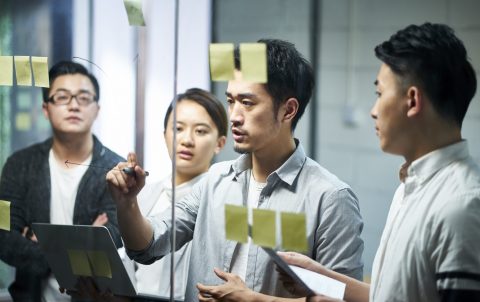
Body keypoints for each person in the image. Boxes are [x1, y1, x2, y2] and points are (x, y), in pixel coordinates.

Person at [107, 39, 364, 301]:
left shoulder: (330, 198)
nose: (234, 116)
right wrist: (127, 203)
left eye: (248, 103)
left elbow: (342, 299)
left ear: (288, 110)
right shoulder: (215, 180)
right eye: (231, 101)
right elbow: (148, 246)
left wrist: (252, 299)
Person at [278, 22, 480, 302]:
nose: (373, 111)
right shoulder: (413, 186)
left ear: (412, 101)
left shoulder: (461, 205)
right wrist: (321, 279)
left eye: (379, 93)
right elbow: (392, 296)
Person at [77, 88, 228, 301]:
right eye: (178, 128)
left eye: (201, 131)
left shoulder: (221, 199)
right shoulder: (143, 193)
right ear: (164, 134)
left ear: (220, 143)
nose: (187, 140)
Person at [0, 60, 124, 301]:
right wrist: (83, 242)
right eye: (62, 97)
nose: (74, 105)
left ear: (97, 109)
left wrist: (43, 243)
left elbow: (115, 237)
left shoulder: (114, 169)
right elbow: (4, 236)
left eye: (84, 97)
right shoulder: (19, 164)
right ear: (46, 109)